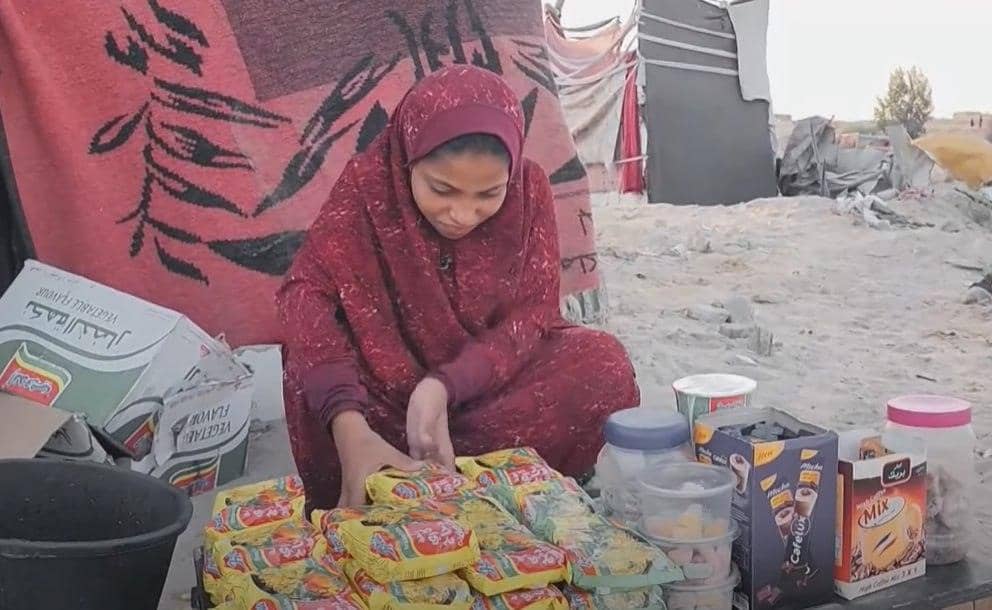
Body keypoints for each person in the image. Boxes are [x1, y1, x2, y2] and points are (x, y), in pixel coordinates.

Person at [277, 65, 639, 510]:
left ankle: (499, 490)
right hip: (386, 410)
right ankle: (367, 467)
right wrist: (349, 426)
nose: (462, 214)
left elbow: (531, 318)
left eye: (488, 195)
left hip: (485, 389)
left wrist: (444, 386)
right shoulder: (367, 188)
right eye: (441, 189)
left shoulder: (530, 192)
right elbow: (303, 295)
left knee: (602, 363)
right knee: (305, 364)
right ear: (408, 156)